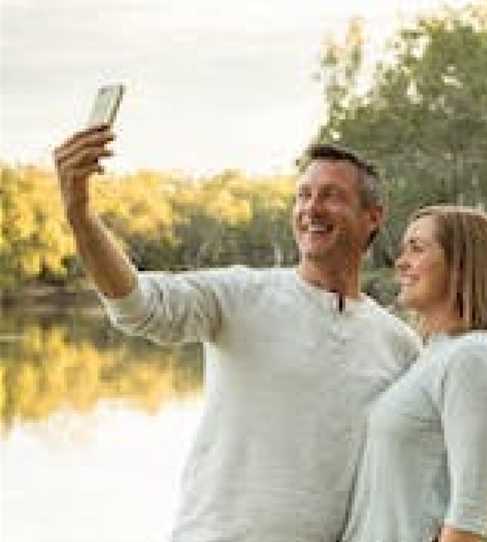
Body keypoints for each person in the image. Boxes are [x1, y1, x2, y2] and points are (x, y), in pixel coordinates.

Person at [52, 124, 421, 542]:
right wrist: (80, 216)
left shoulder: (399, 346)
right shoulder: (240, 295)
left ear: (372, 217)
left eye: (331, 196)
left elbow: (415, 473)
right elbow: (139, 306)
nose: (311, 208)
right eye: (303, 195)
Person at [341, 205, 487, 542]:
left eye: (417, 249)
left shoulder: (472, 357)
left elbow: (469, 516)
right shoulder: (433, 355)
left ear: (461, 263)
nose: (401, 262)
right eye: (404, 249)